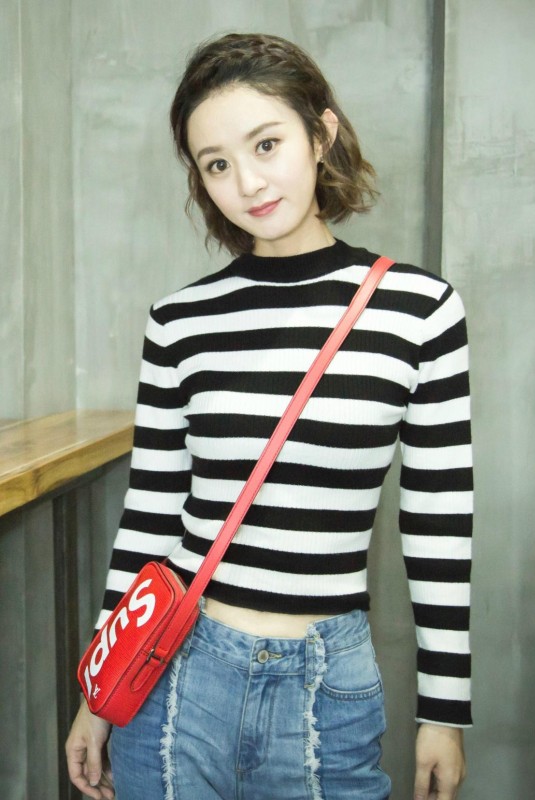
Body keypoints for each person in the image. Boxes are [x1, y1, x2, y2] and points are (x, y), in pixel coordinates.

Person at [66, 32, 473, 800]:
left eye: (266, 144)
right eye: (216, 164)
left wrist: (444, 712)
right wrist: (97, 693)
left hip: (328, 687)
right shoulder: (180, 321)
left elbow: (439, 522)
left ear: (321, 133)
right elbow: (150, 515)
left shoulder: (419, 310)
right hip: (176, 677)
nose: (247, 182)